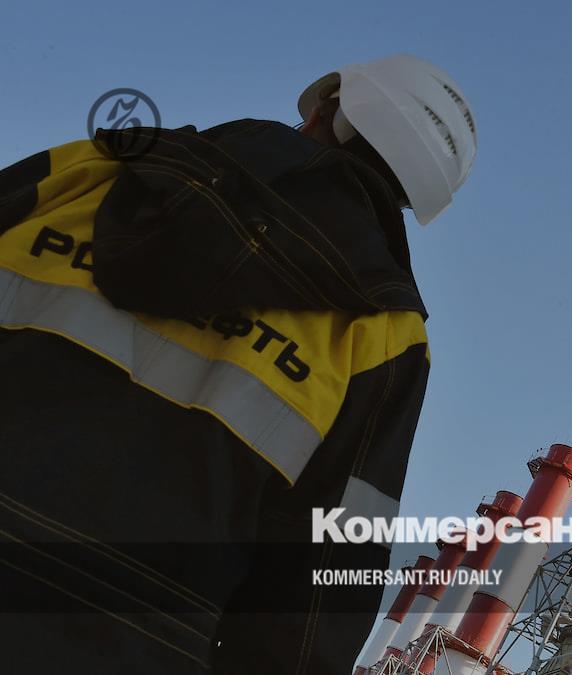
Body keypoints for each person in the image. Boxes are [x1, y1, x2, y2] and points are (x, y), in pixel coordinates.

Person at [0, 54, 476, 673]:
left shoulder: (92, 170)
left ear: (327, 112)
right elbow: (325, 576)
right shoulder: (383, 334)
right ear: (407, 199)